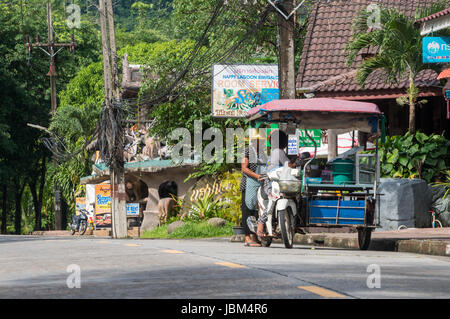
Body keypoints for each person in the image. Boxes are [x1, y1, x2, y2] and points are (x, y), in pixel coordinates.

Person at [256, 129, 296, 238]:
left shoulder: (274, 152)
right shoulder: (278, 151)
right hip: (272, 182)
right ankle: (260, 225)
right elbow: (288, 165)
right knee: (271, 202)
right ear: (284, 141)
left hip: (271, 181)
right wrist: (296, 162)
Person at [240, 130, 267, 247]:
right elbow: (244, 168)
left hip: (260, 184)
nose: (259, 142)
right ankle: (247, 238)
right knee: (247, 210)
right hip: (248, 184)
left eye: (261, 141)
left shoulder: (262, 153)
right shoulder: (248, 151)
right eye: (257, 141)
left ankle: (255, 236)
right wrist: (257, 176)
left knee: (257, 211)